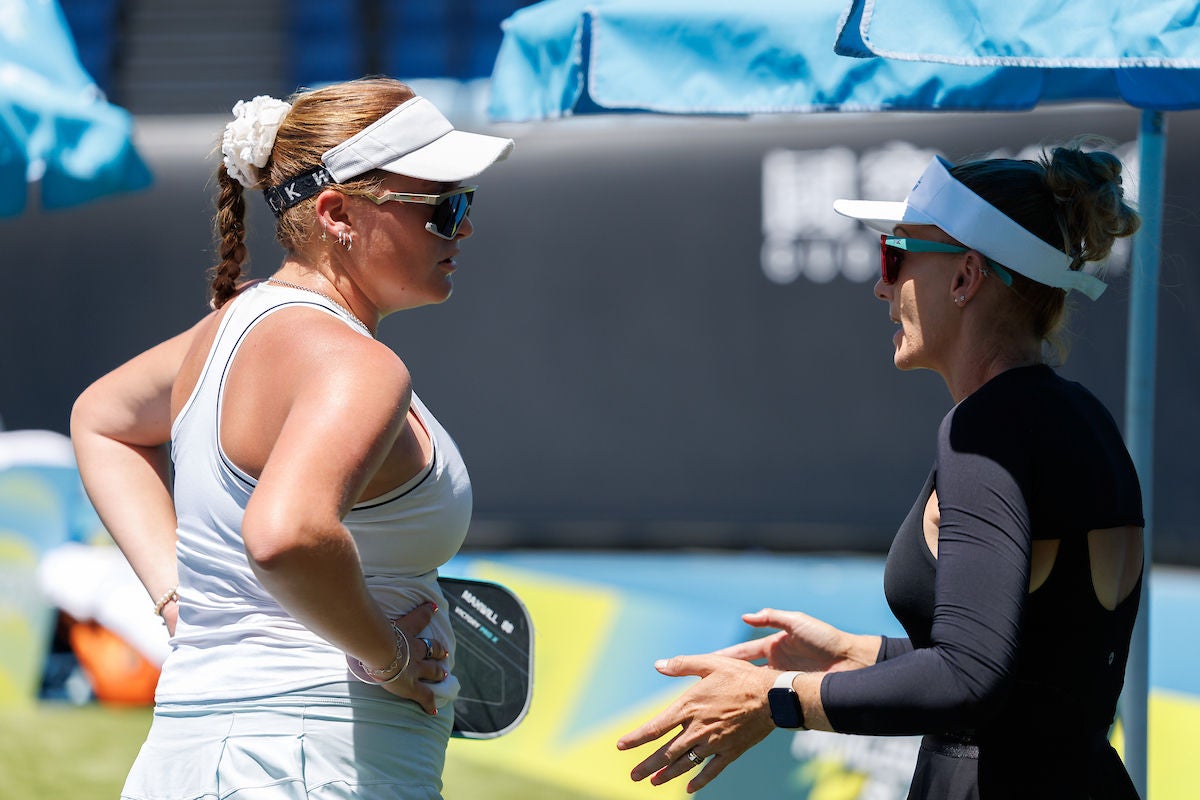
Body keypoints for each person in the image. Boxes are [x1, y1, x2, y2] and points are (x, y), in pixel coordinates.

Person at [617, 141, 1144, 799]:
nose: (881, 285)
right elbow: (1040, 669)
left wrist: (774, 697)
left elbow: (970, 675)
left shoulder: (989, 427)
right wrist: (854, 654)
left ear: (965, 277)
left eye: (896, 257)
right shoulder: (1080, 417)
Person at [70, 77, 513, 799]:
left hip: (186, 754)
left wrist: (178, 602)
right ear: (338, 214)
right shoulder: (357, 365)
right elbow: (285, 535)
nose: (462, 227)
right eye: (442, 206)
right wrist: (391, 659)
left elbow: (102, 419)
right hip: (310, 761)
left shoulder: (226, 329)